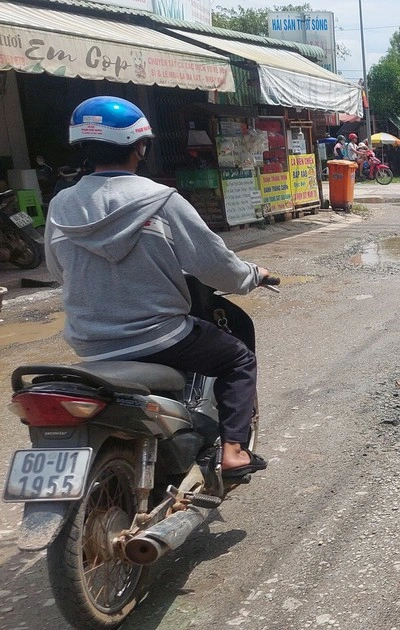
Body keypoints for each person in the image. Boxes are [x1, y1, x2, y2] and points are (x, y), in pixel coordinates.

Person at [45, 96, 270, 477]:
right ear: (140, 147)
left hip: (90, 342)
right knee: (238, 360)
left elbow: (58, 271)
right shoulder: (160, 199)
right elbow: (215, 267)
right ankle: (233, 450)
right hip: (160, 338)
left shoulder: (61, 205)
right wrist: (252, 275)